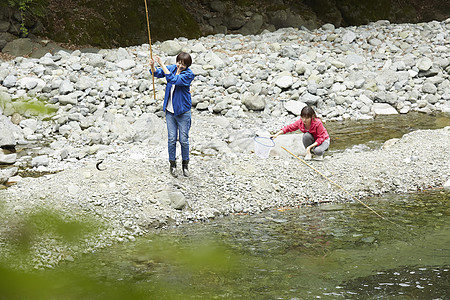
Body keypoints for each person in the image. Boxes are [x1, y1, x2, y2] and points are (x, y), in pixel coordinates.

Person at [149, 52, 195, 177]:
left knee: (184, 140)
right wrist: (153, 66)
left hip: (183, 112)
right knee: (171, 139)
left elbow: (173, 80)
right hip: (170, 112)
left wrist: (162, 64)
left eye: (183, 65)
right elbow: (157, 73)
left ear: (187, 66)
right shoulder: (172, 68)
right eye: (179, 63)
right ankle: (172, 164)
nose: (180, 66)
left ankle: (185, 165)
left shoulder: (189, 75)